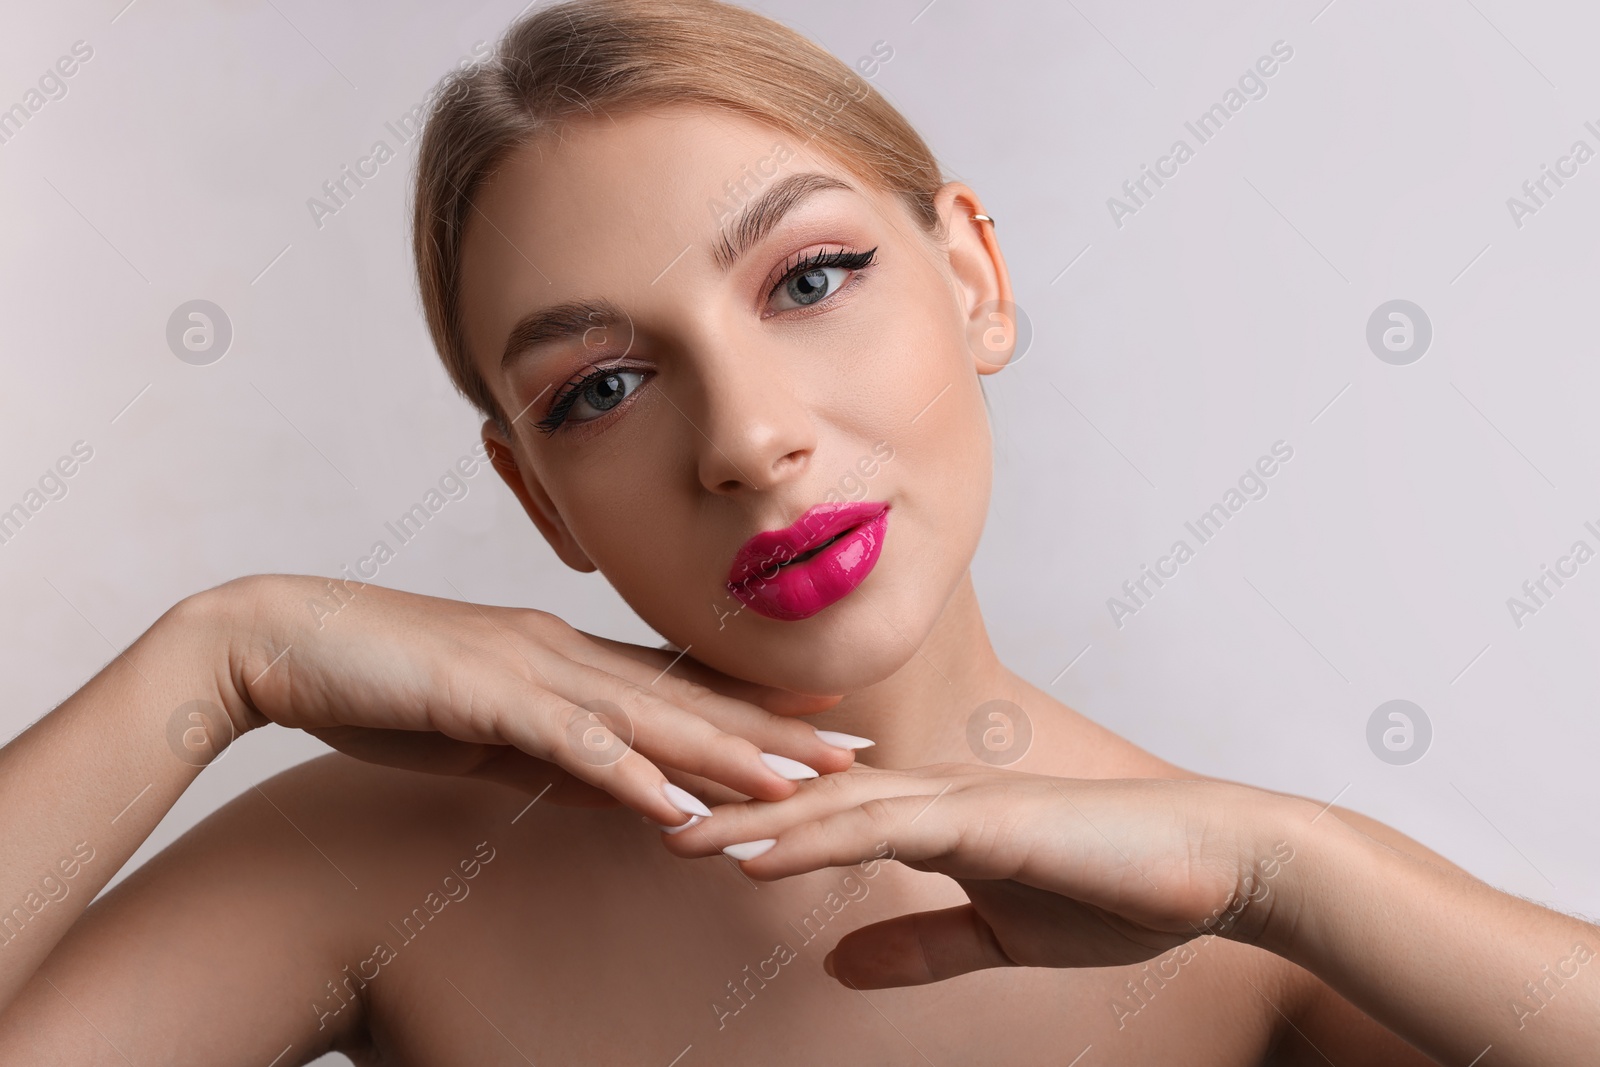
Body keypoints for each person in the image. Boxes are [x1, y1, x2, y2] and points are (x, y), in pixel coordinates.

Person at [1, 0, 1594, 1063]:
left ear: (971, 277)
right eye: (605, 386)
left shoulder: (1255, 936)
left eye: (810, 279)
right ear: (534, 494)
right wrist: (216, 662)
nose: (752, 439)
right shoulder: (365, 864)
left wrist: (1283, 867)